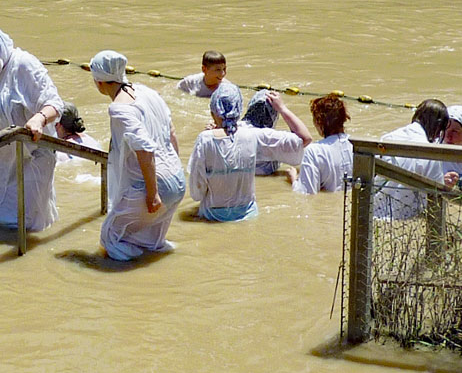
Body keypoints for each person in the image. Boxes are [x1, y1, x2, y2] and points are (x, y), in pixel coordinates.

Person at [0, 24, 63, 232]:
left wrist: (39, 119)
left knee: (29, 220)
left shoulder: (24, 66)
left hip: (33, 153)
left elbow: (55, 103)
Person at [90, 50, 185, 260]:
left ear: (99, 82)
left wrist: (153, 193)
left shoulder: (119, 109)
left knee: (110, 238)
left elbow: (144, 148)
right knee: (151, 243)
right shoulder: (148, 92)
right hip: (177, 180)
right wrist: (175, 172)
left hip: (154, 185)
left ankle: (129, 276)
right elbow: (171, 133)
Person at [188, 82, 311, 221]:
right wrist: (282, 108)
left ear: (213, 112)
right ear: (238, 108)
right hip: (249, 215)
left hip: (212, 216)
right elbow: (305, 139)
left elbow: (196, 193)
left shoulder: (206, 138)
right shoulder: (258, 136)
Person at [374, 99, 448, 220]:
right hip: (402, 219)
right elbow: (437, 199)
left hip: (373, 213)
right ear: (438, 127)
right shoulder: (429, 153)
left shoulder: (387, 138)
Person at [293, 93, 352, 194]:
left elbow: (306, 194)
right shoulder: (358, 145)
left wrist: (294, 179)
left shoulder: (314, 151)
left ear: (318, 122)